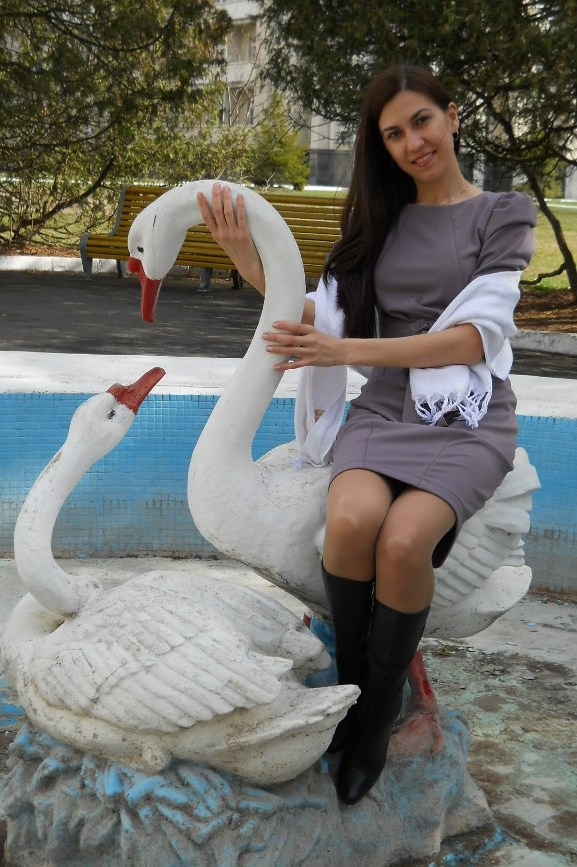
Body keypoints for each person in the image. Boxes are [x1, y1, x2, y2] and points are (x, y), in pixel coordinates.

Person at [197, 64, 537, 806]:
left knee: (404, 541)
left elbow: (473, 339)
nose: (412, 141)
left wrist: (344, 352)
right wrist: (246, 258)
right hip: (384, 410)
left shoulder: (502, 215)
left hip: (467, 419)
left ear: (451, 117)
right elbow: (320, 319)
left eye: (421, 121)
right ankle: (352, 696)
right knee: (348, 523)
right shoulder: (379, 222)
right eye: (392, 134)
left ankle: (376, 717)